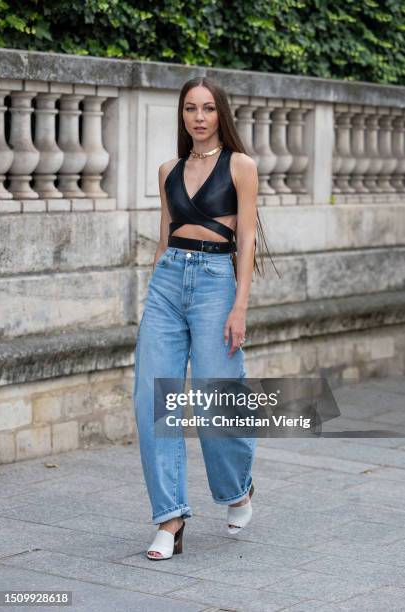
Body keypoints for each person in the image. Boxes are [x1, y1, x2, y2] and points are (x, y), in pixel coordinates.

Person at [133, 76, 277, 560]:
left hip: (217, 283)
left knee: (220, 393)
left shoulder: (242, 166)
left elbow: (248, 240)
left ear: (222, 115)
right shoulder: (167, 169)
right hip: (168, 283)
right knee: (152, 397)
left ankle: (238, 488)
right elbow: (163, 236)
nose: (199, 117)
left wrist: (240, 306)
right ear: (182, 115)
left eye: (208, 109)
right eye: (191, 108)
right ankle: (169, 519)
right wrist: (152, 294)